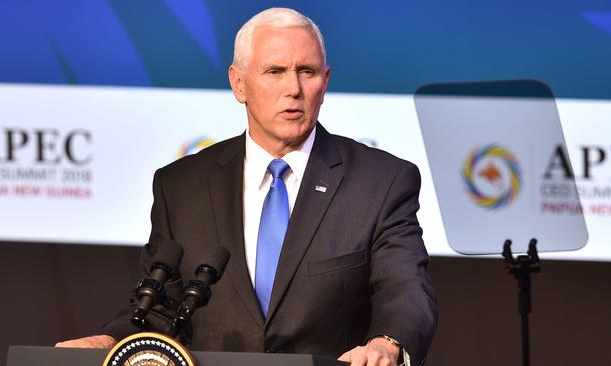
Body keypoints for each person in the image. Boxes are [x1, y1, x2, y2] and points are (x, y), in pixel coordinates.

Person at [57, 7, 437, 366]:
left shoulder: (380, 182)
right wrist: (108, 342)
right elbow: (160, 308)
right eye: (275, 71)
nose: (293, 88)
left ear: (326, 81)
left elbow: (405, 290)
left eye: (307, 71)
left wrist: (388, 343)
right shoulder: (181, 187)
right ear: (239, 84)